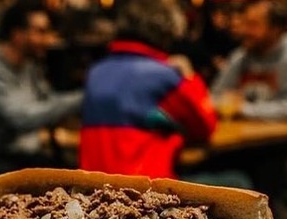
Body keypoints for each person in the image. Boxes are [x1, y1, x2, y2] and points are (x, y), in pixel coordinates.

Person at [0, 0, 83, 186]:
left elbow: (49, 100)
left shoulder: (28, 68)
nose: (49, 39)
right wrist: (82, 98)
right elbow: (21, 119)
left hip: (17, 157)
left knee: (72, 180)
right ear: (17, 34)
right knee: (48, 190)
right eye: (41, 32)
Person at [79, 0, 216, 179]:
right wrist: (190, 76)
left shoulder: (96, 72)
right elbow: (204, 126)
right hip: (144, 195)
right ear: (166, 33)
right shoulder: (163, 75)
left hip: (93, 192)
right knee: (237, 179)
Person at [210, 0, 287, 191]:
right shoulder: (242, 57)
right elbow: (215, 96)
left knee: (262, 173)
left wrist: (245, 109)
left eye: (252, 25)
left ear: (276, 29)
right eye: (244, 23)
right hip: (252, 146)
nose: (244, 30)